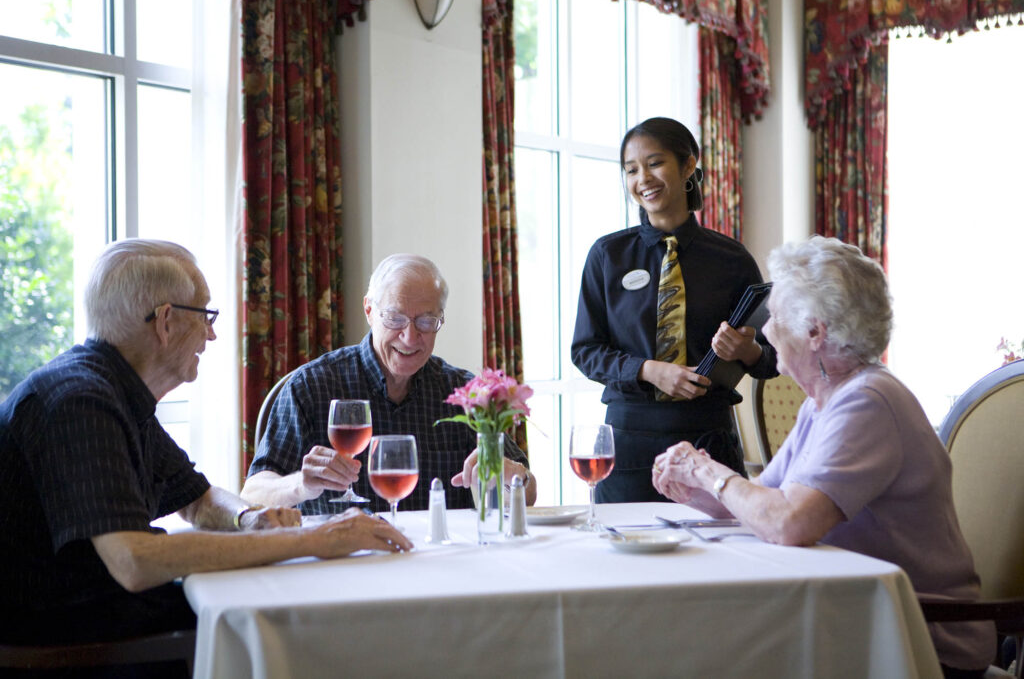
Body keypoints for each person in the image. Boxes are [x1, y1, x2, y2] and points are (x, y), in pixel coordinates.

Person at [0, 239, 411, 675]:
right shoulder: (80, 402)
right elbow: (134, 562)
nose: (211, 334)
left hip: (90, 608)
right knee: (290, 624)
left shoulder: (113, 391)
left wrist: (248, 519)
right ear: (166, 321)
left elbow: (196, 499)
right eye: (205, 316)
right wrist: (315, 539)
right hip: (52, 640)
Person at [652, 235, 996, 678]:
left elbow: (789, 523)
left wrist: (708, 471)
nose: (767, 331)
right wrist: (694, 484)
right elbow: (764, 500)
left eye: (775, 317)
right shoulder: (825, 400)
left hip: (921, 640)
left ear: (814, 331)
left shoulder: (868, 401)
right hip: (859, 618)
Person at [571, 116, 777, 503]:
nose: (642, 178)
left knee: (714, 558)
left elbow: (772, 358)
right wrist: (649, 370)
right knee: (627, 558)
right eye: (631, 169)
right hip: (629, 443)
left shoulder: (731, 259)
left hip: (709, 439)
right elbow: (585, 351)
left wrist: (745, 351)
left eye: (654, 163)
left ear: (687, 166)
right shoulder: (607, 256)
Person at [242, 253, 536, 514]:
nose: (409, 337)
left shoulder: (463, 393)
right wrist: (300, 486)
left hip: (442, 565)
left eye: (425, 321)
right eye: (395, 318)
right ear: (369, 311)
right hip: (341, 563)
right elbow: (253, 493)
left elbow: (529, 493)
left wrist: (514, 479)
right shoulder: (311, 386)